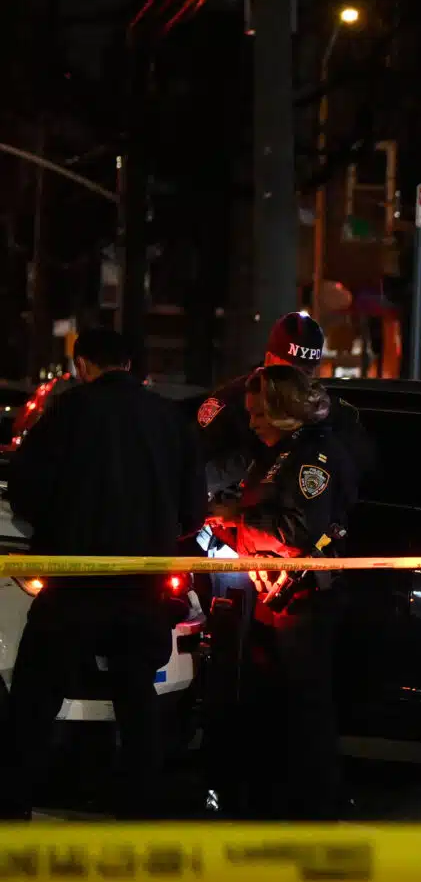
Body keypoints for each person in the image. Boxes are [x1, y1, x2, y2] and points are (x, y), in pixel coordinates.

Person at [0, 328, 203, 818]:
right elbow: (193, 513)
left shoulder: (68, 413)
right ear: (131, 364)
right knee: (138, 702)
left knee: (35, 697)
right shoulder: (170, 420)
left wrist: (53, 527)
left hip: (72, 581)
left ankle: (11, 803)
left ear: (83, 365)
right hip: (141, 584)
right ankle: (140, 810)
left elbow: (25, 490)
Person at [203, 366, 361, 818]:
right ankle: (279, 801)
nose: (251, 423)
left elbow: (295, 531)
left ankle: (318, 809)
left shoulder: (313, 459)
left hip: (306, 600)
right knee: (277, 706)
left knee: (307, 710)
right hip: (277, 601)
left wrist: (235, 518)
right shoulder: (279, 453)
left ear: (284, 412)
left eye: (258, 414)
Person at [197, 310, 330, 501]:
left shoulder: (318, 407)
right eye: (287, 372)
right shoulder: (231, 403)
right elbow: (194, 469)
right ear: (268, 359)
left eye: (306, 373)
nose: (296, 382)